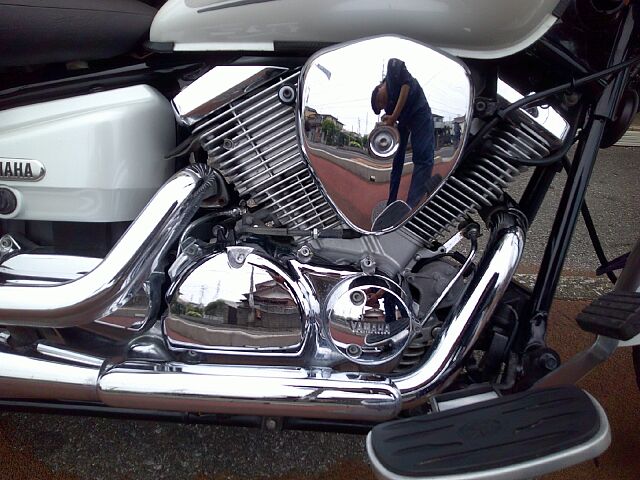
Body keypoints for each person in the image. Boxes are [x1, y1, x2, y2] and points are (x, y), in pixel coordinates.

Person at [371, 58, 435, 209]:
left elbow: (406, 85)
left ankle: (413, 206)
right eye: (380, 108)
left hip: (419, 111)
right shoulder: (388, 108)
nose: (382, 105)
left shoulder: (392, 67)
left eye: (379, 101)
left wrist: (393, 116)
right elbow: (392, 125)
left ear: (379, 87)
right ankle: (391, 203)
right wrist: (388, 124)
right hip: (404, 121)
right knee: (397, 160)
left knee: (423, 156)